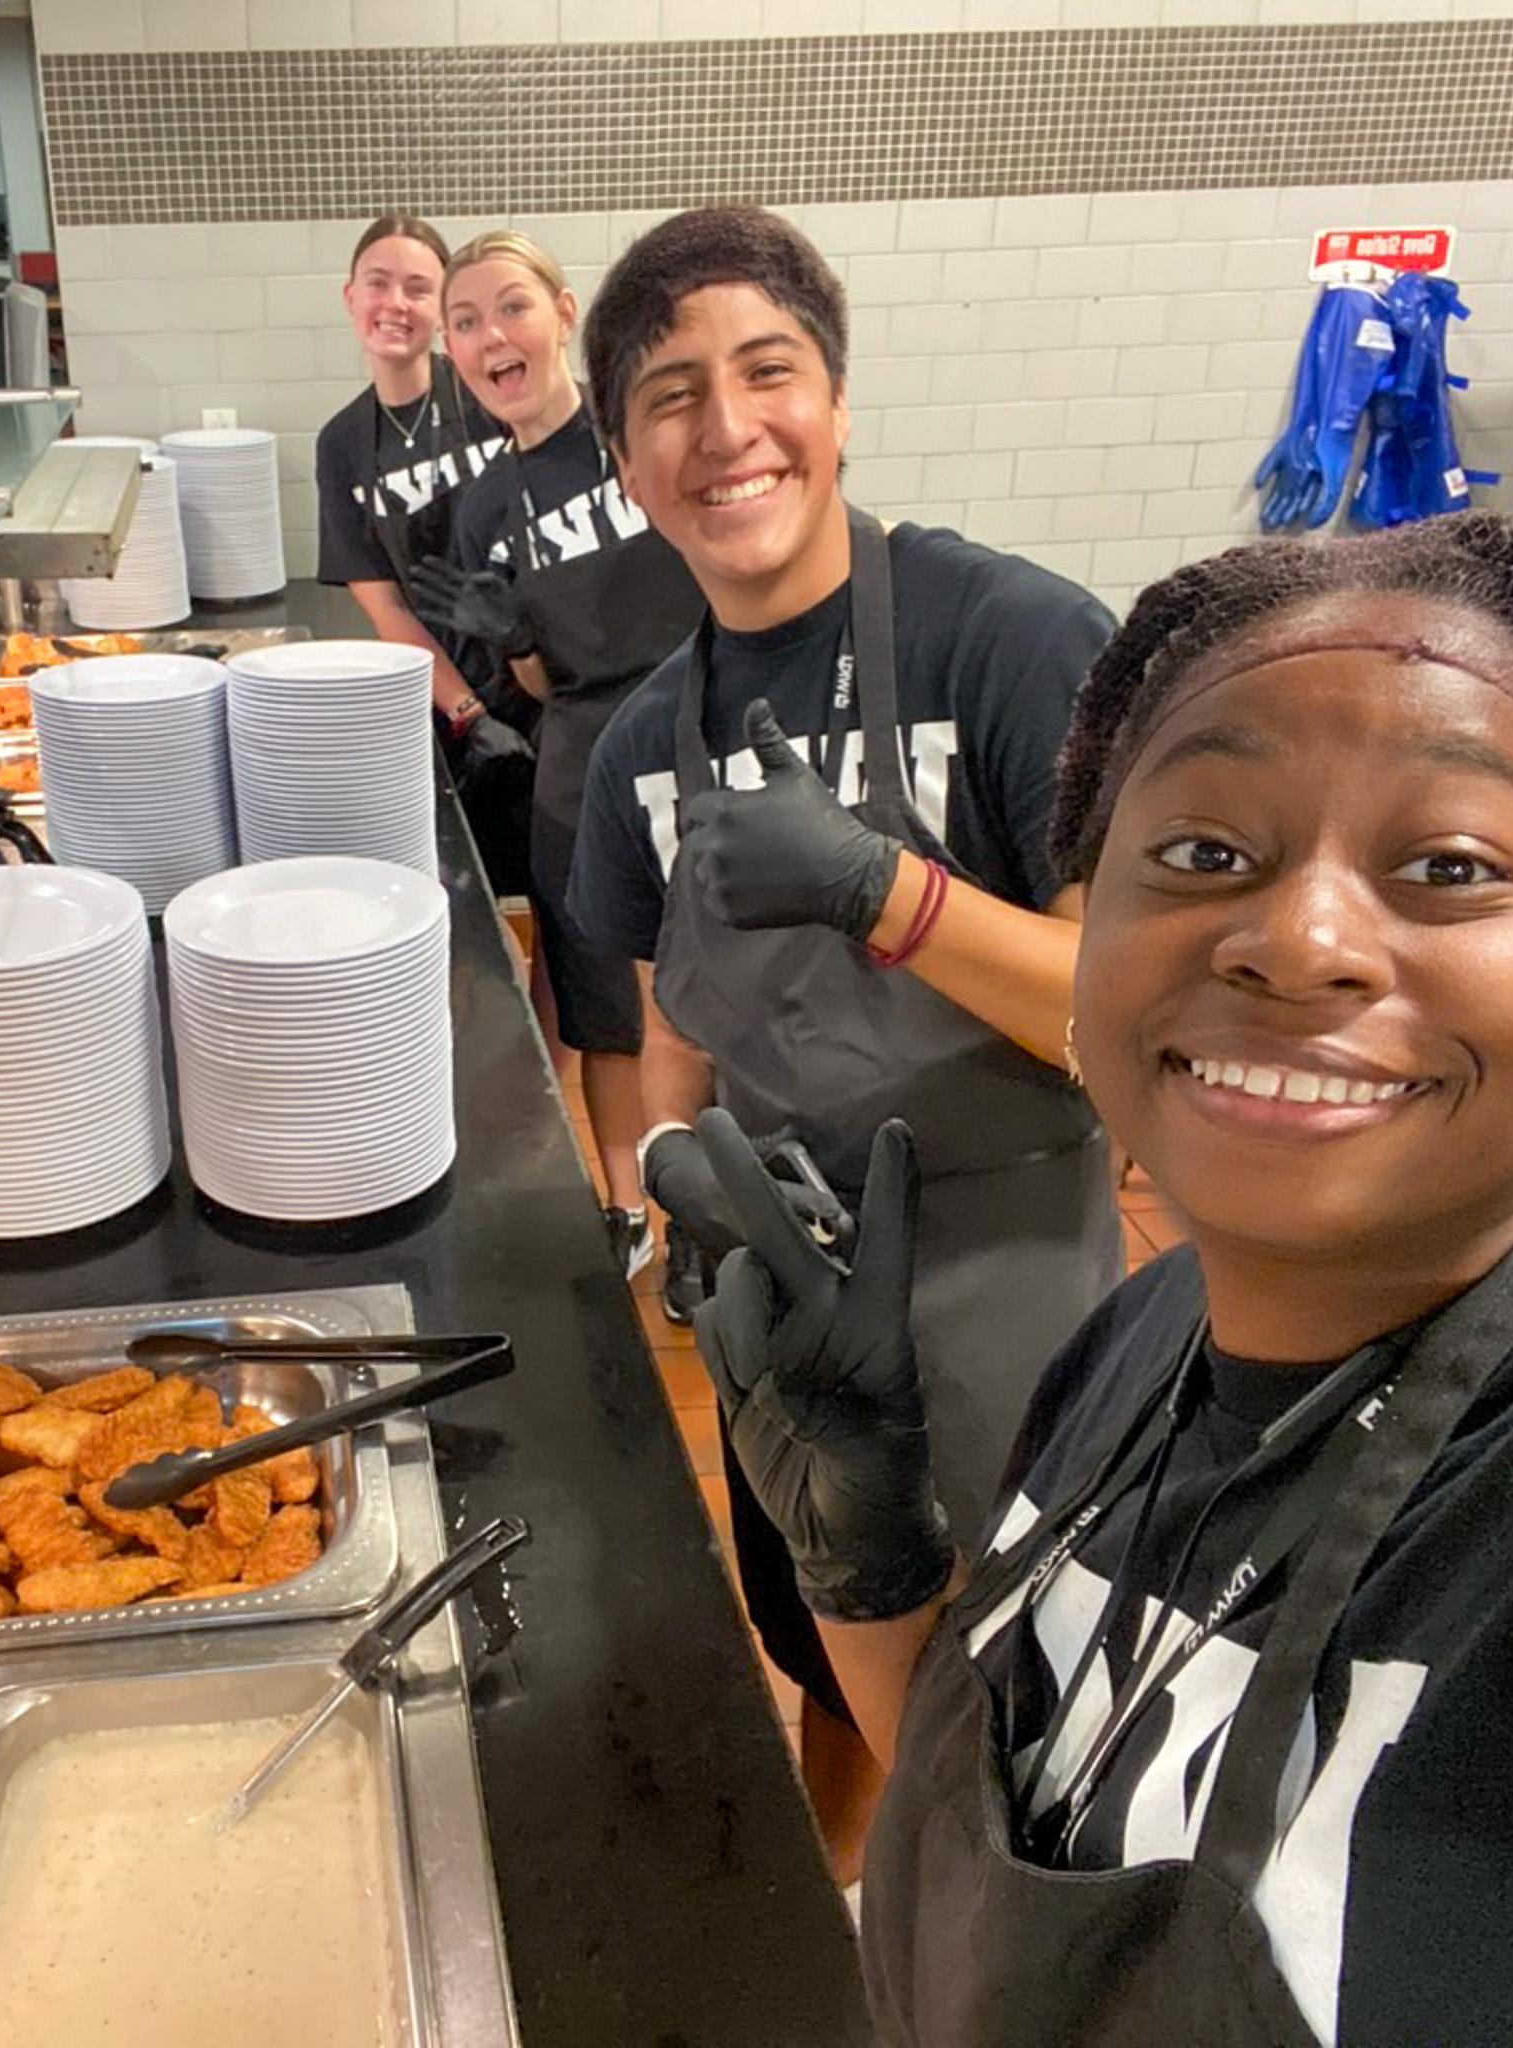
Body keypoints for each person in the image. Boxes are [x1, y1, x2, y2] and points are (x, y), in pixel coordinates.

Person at [692, 511, 1513, 2045]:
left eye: (1448, 865)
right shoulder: (1135, 1345)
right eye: (1204, 852)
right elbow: (1022, 1858)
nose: (1302, 940)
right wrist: (869, 1567)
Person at [569, 206, 1122, 1879]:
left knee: (1047, 1687)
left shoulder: (1011, 641)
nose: (724, 428)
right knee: (830, 1629)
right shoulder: (634, 749)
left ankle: (1016, 1946)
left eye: (766, 372)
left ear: (838, 400)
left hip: (1005, 1279)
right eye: (667, 396)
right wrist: (668, 1179)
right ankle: (861, 1915)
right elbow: (673, 1024)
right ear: (620, 457)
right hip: (795, 1300)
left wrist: (887, 891)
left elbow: (1137, 1014)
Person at [412, 230, 705, 1276]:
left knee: (728, 991)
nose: (493, 334)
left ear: (562, 312)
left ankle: (716, 1227)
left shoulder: (643, 430)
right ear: (452, 352)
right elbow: (537, 690)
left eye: (511, 307)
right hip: (583, 769)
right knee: (606, 1011)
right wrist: (516, 636)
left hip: (704, 737)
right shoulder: (481, 509)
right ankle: (631, 1214)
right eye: (467, 320)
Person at [313, 213, 532, 894]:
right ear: (349, 295)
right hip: (457, 714)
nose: (395, 304)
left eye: (418, 288)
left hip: (552, 681)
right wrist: (468, 713)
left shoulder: (494, 396)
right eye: (379, 283)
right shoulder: (342, 443)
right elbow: (387, 608)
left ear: (441, 309)